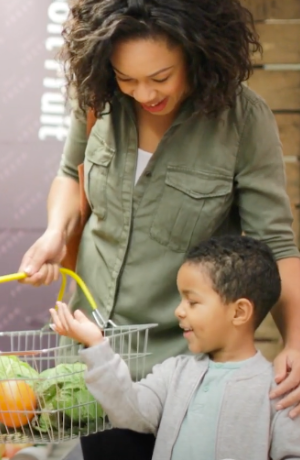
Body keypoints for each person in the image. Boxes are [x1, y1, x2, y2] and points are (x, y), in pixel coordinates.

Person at [18, 0, 300, 455]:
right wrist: (55, 232)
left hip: (173, 375)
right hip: (86, 361)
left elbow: (276, 243)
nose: (144, 93)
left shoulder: (243, 121)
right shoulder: (99, 99)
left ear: (197, 52)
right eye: (127, 79)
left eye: (160, 77)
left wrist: (297, 342)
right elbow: (71, 176)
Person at [50, 235, 300, 460]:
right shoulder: (173, 373)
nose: (179, 311)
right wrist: (96, 345)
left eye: (192, 302)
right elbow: (128, 409)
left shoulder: (279, 391)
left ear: (239, 311)